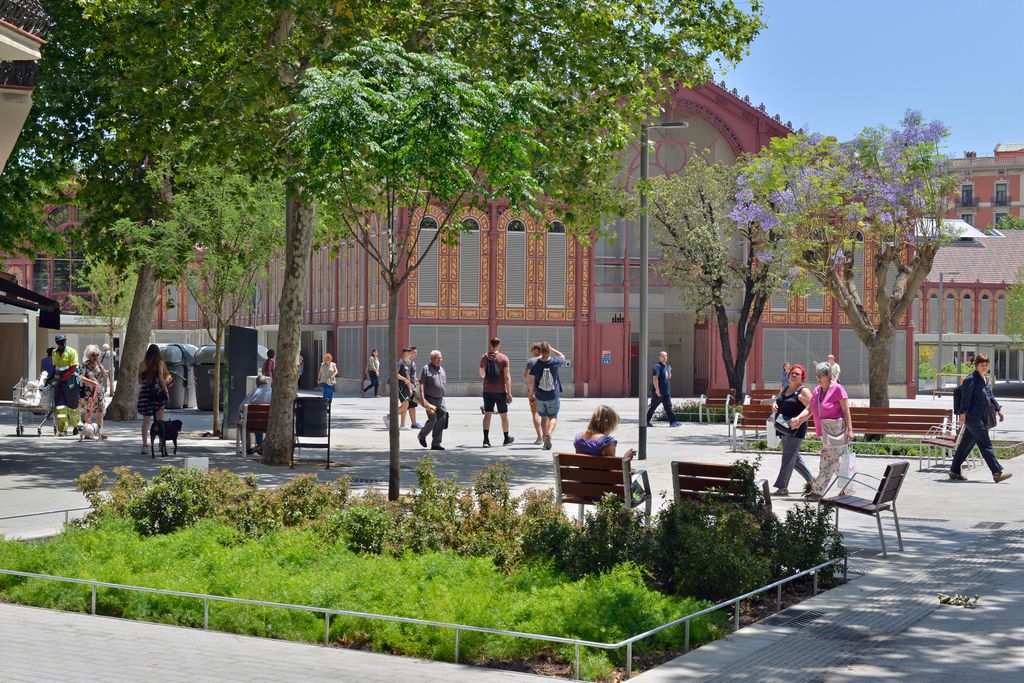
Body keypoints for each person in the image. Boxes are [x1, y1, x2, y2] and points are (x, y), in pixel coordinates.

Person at [795, 362, 856, 499]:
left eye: (821, 376)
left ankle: (818, 491)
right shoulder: (817, 390)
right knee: (836, 463)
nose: (818, 378)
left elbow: (846, 411)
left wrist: (850, 430)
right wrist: (798, 419)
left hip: (836, 432)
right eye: (817, 375)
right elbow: (810, 409)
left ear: (828, 376)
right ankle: (848, 489)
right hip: (824, 433)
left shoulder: (838, 389)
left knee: (827, 461)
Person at [949, 355, 1012, 483]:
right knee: (985, 444)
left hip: (982, 416)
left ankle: (954, 471)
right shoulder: (971, 380)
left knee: (966, 444)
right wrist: (962, 414)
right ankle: (997, 472)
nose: (984, 367)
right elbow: (966, 398)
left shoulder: (985, 379)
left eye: (986, 364)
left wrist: (999, 410)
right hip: (973, 417)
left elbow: (990, 396)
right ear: (976, 365)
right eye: (981, 364)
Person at [769, 363, 813, 496]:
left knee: (788, 457)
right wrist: (774, 404)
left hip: (796, 429)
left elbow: (812, 409)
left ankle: (783, 487)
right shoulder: (785, 388)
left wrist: (799, 420)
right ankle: (812, 481)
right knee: (794, 458)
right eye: (792, 373)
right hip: (784, 426)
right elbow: (778, 400)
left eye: (797, 374)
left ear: (802, 377)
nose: (794, 375)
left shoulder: (803, 391)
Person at [528, 341, 566, 450]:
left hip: (540, 395)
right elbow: (562, 356)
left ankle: (545, 440)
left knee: (544, 417)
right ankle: (549, 434)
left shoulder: (535, 363)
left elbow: (531, 381)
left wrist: (531, 394)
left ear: (540, 351)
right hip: (553, 395)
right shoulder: (555, 361)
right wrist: (553, 349)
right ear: (548, 351)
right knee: (553, 416)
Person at [480, 337, 514, 447]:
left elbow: (481, 374)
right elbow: (507, 377)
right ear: (499, 344)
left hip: (487, 390)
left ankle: (486, 440)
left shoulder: (484, 357)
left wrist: (487, 378)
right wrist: (509, 393)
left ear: (490, 345)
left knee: (488, 414)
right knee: (503, 415)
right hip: (500, 391)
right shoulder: (504, 358)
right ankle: (506, 438)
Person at [137, 343, 170, 454]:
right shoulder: (159, 362)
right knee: (160, 421)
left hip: (146, 394)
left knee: (146, 421)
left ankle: (144, 445)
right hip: (157, 393)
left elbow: (139, 381)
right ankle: (161, 445)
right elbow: (161, 378)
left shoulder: (142, 364)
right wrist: (166, 391)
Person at [417, 350, 448, 451]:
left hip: (440, 399)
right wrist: (423, 399)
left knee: (442, 419)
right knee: (433, 420)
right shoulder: (426, 369)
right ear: (432, 359)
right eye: (437, 358)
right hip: (429, 399)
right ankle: (422, 435)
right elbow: (421, 385)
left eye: (440, 358)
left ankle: (436, 443)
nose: (439, 360)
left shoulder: (442, 370)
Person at [51, 335, 82, 436]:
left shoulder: (71, 351)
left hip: (71, 382)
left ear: (66, 341)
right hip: (59, 382)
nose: (62, 342)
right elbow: (55, 366)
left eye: (63, 340)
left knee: (72, 406)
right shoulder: (54, 352)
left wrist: (64, 377)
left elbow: (73, 367)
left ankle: (77, 426)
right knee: (60, 407)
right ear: (56, 342)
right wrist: (53, 378)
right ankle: (62, 429)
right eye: (59, 341)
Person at [79, 345, 110, 439]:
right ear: (89, 355)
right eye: (93, 355)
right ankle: (87, 431)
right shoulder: (85, 365)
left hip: (99, 392)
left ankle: (100, 431)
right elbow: (81, 377)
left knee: (100, 411)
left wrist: (100, 365)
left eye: (97, 355)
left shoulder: (99, 365)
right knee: (87, 412)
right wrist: (91, 382)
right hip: (88, 393)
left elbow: (105, 375)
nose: (95, 357)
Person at [646, 351, 681, 428]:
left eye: (666, 356)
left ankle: (673, 422)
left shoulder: (666, 367)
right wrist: (657, 390)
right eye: (663, 356)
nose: (665, 357)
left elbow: (667, 378)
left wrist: (670, 372)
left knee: (668, 407)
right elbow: (655, 378)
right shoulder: (657, 366)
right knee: (653, 407)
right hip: (659, 392)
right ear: (659, 357)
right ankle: (645, 421)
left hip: (666, 392)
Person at [385, 348, 417, 429]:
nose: (412, 354)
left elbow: (408, 376)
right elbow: (394, 373)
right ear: (406, 353)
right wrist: (404, 379)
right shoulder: (400, 362)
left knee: (405, 405)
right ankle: (389, 417)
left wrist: (410, 388)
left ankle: (402, 425)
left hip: (406, 387)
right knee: (405, 405)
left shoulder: (408, 363)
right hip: (400, 386)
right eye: (410, 352)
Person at [239, 374, 272, 453]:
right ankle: (261, 446)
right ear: (268, 383)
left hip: (253, 424)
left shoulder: (253, 392)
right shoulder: (275, 392)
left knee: (244, 424)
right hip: (271, 423)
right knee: (262, 422)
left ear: (257, 384)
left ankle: (247, 448)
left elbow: (241, 407)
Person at [523, 343, 544, 445]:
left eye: (532, 349)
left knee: (535, 413)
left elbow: (526, 375)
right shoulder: (548, 359)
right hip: (547, 391)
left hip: (534, 390)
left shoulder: (531, 361)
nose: (531, 351)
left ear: (536, 350)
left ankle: (540, 437)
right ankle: (547, 435)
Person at [407, 346, 422, 428]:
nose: (416, 354)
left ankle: (414, 423)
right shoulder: (408, 362)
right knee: (407, 406)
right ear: (410, 352)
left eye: (416, 352)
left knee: (411, 405)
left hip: (412, 386)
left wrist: (416, 380)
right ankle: (391, 417)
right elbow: (407, 375)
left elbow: (411, 375)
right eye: (414, 352)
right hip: (409, 387)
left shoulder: (412, 362)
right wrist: (410, 387)